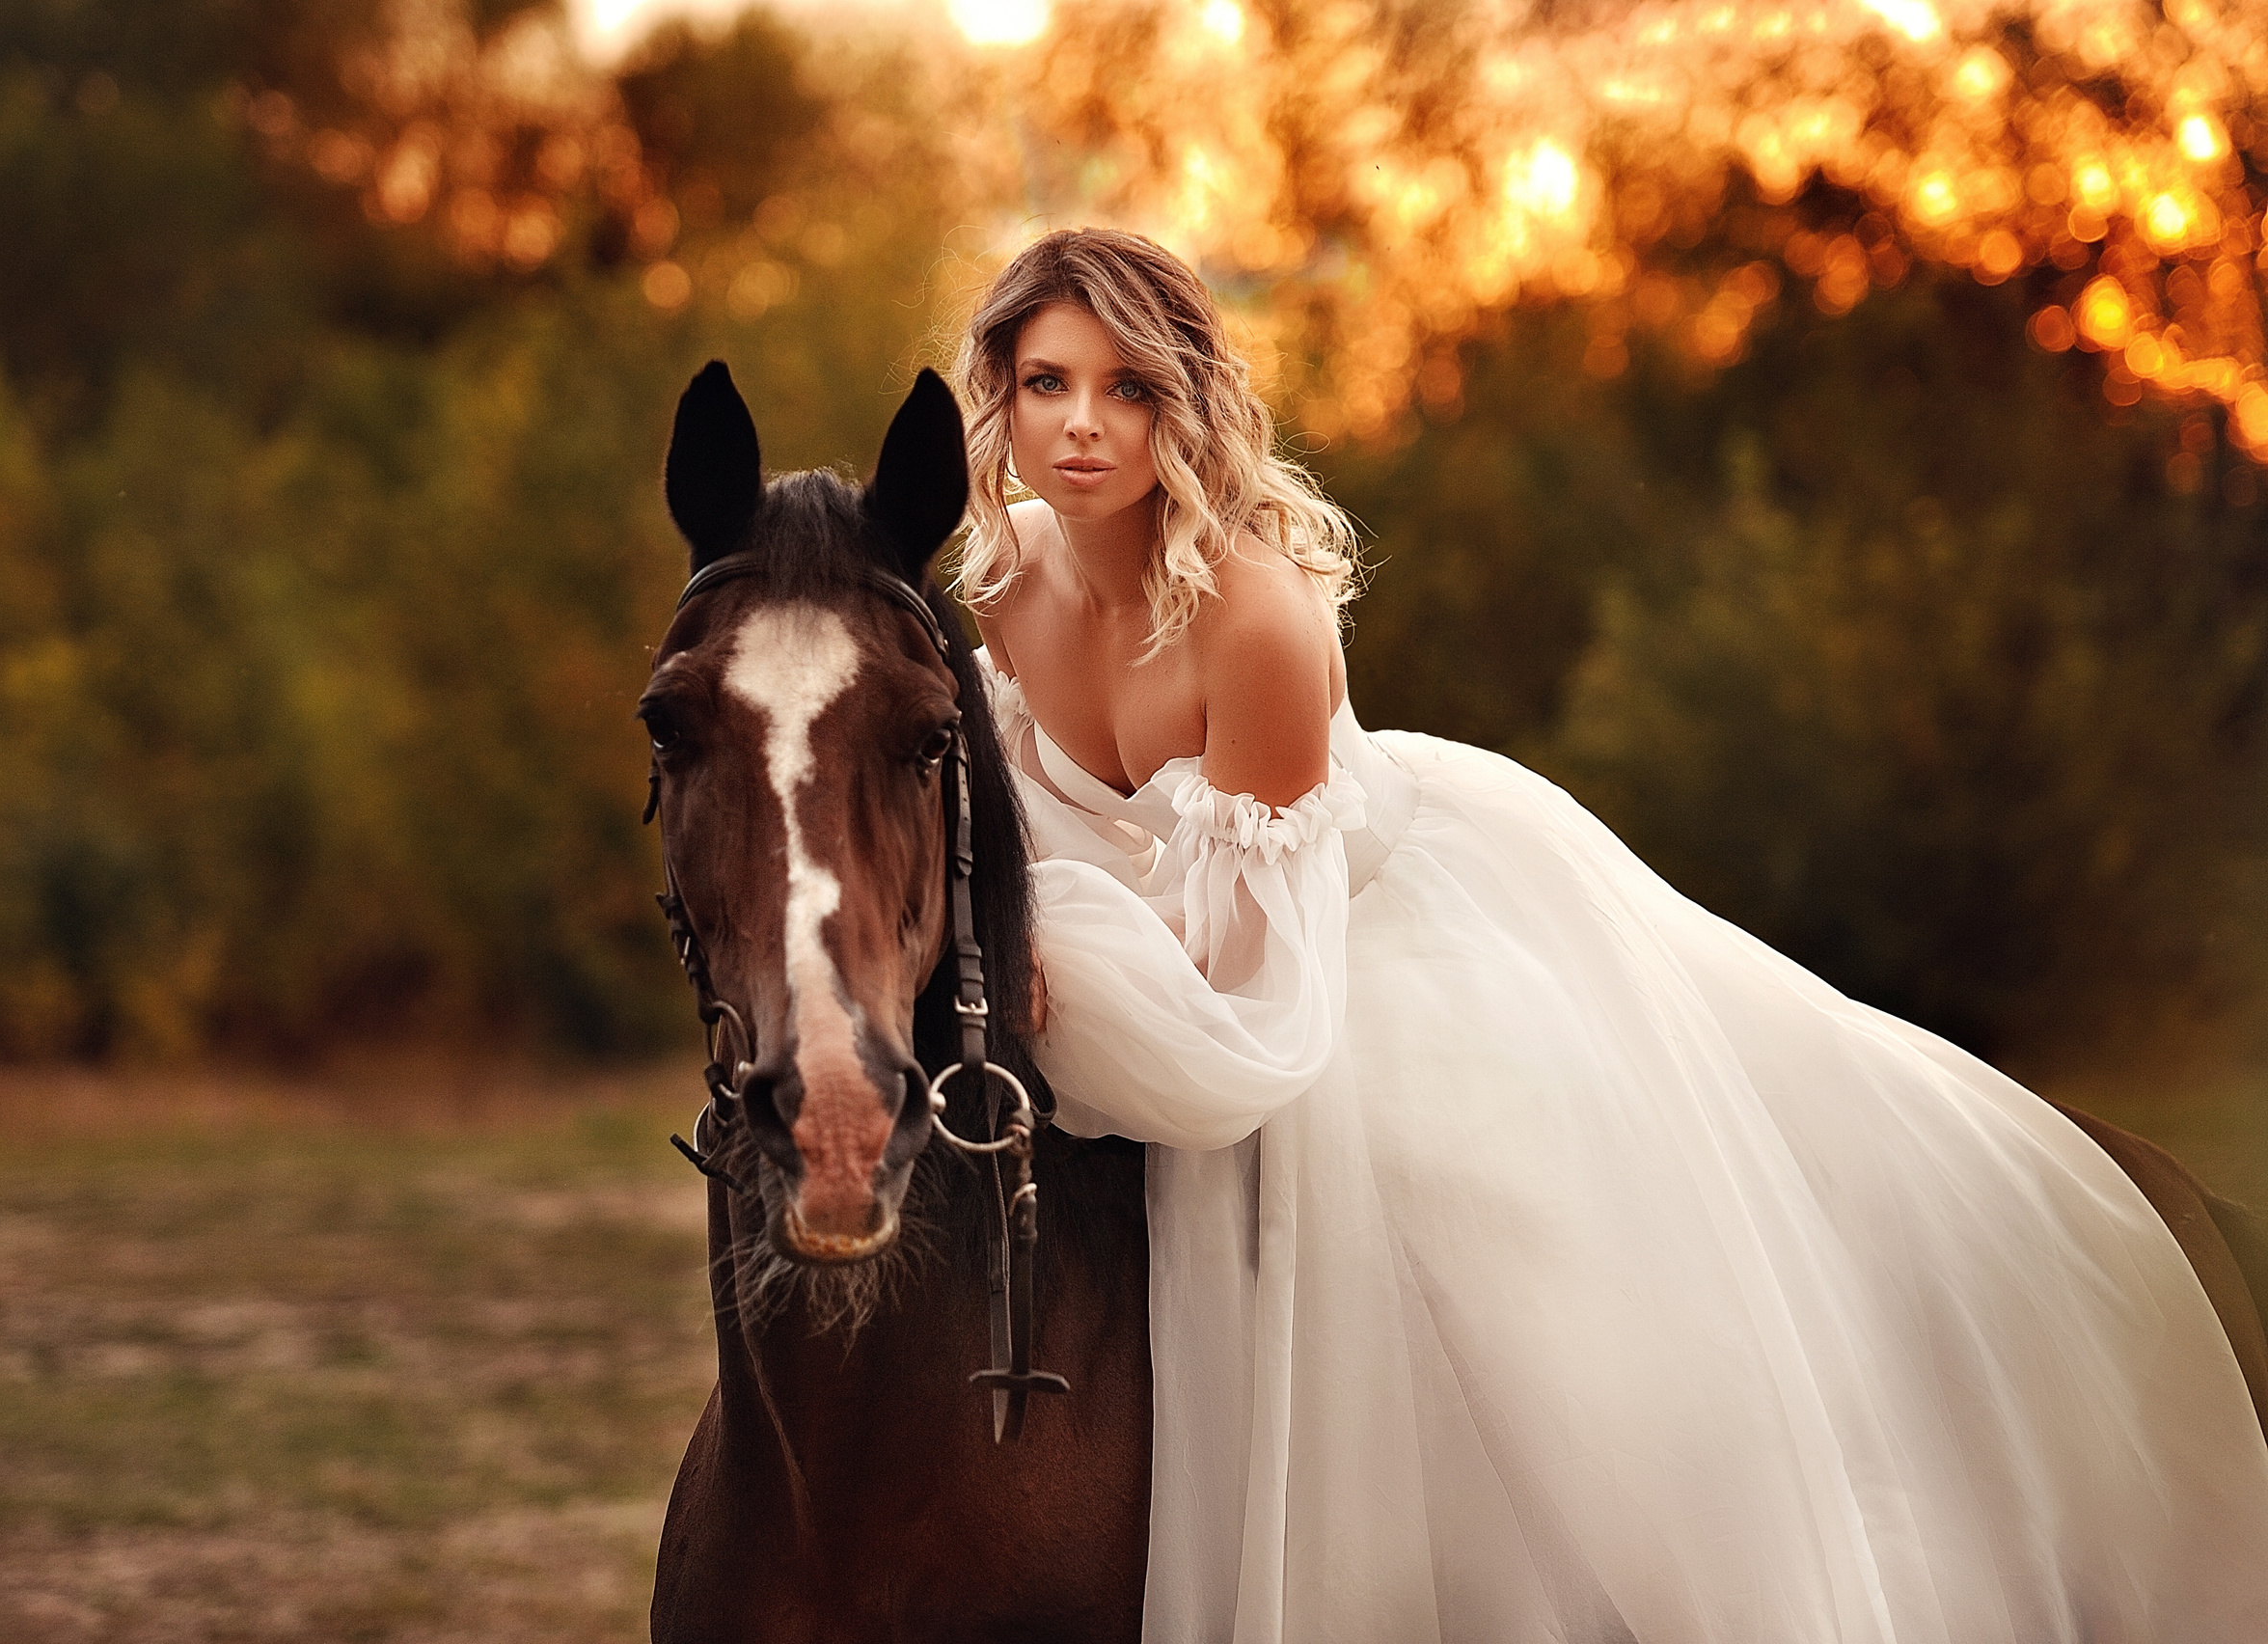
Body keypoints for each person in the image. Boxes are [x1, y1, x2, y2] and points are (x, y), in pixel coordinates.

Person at [952, 227, 2268, 1643]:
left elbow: (1242, 1002)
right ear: (1001, 399)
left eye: (1127, 389)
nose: (1083, 426)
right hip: (1190, 959)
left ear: (1185, 403)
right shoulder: (1000, 582)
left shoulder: (1253, 622)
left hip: (1348, 958)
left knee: (1507, 1304)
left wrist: (1047, 946)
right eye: (1047, 383)